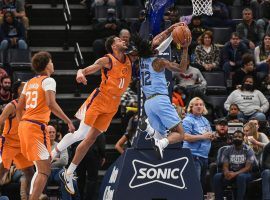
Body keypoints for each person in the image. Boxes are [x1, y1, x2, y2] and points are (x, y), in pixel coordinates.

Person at [52, 22, 183, 194]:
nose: (124, 41)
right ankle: (54, 152)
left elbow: (152, 45)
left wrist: (170, 30)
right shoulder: (108, 59)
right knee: (81, 134)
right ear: (113, 46)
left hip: (113, 105)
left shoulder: (130, 57)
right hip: (99, 99)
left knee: (89, 140)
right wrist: (80, 73)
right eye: (120, 40)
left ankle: (68, 174)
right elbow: (89, 68)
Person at [16, 51, 75, 200]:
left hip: (24, 126)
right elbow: (51, 103)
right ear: (46, 65)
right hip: (36, 127)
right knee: (44, 170)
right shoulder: (48, 80)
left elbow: (18, 108)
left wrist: (21, 125)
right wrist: (68, 120)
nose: (53, 64)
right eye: (51, 61)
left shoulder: (28, 83)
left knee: (40, 168)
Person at [136, 23, 191, 159]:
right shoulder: (159, 62)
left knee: (161, 134)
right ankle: (161, 143)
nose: (155, 44)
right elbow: (182, 68)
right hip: (160, 100)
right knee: (180, 134)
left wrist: (171, 29)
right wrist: (185, 48)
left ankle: (149, 128)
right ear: (152, 50)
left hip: (148, 103)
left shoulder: (142, 59)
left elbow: (157, 41)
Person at [0, 81, 34, 200]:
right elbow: (1, 121)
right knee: (3, 170)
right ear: (18, 90)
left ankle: (29, 198)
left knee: (30, 172)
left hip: (21, 144)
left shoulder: (30, 105)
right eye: (24, 86)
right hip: (8, 142)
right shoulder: (12, 105)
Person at [213, 130, 257, 200]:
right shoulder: (227, 150)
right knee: (217, 176)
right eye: (235, 137)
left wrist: (235, 174)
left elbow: (248, 167)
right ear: (232, 138)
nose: (237, 138)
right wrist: (227, 172)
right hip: (231, 172)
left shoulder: (248, 150)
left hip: (246, 174)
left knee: (241, 177)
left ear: (243, 138)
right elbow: (225, 165)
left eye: (239, 137)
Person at [182, 97, 213, 190]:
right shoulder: (187, 120)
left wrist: (212, 136)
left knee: (201, 185)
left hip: (204, 156)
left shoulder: (205, 120)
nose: (199, 107)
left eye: (201, 105)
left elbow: (208, 135)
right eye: (196, 105)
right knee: (194, 185)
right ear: (191, 107)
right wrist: (203, 136)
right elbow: (185, 137)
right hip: (193, 156)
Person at [48, 125, 80, 200]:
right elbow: (41, 162)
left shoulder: (61, 145)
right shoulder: (42, 146)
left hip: (58, 171)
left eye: (53, 132)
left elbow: (64, 161)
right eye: (49, 132)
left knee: (67, 178)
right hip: (45, 172)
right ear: (45, 133)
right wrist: (56, 159)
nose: (52, 134)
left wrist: (50, 162)